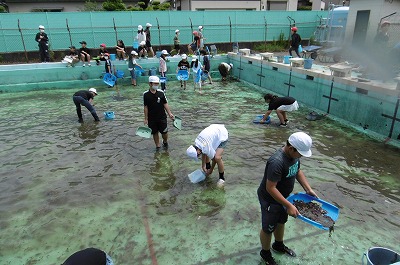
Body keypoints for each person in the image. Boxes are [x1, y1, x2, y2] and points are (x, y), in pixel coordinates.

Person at [257, 132, 317, 265]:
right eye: (300, 153)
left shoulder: (294, 156)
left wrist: (308, 189)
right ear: (291, 148)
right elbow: (270, 188)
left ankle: (278, 245)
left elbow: (297, 171)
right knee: (268, 228)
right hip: (270, 200)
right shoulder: (276, 162)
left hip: (285, 198)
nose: (301, 156)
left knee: (281, 221)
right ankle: (265, 253)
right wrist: (289, 206)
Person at [143, 76, 175, 150]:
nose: (156, 85)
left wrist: (170, 113)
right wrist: (146, 118)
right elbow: (145, 107)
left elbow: (165, 103)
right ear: (150, 84)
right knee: (154, 132)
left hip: (162, 117)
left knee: (164, 132)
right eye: (155, 84)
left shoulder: (161, 93)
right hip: (152, 118)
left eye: (157, 84)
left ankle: (165, 141)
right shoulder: (145, 95)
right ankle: (157, 146)